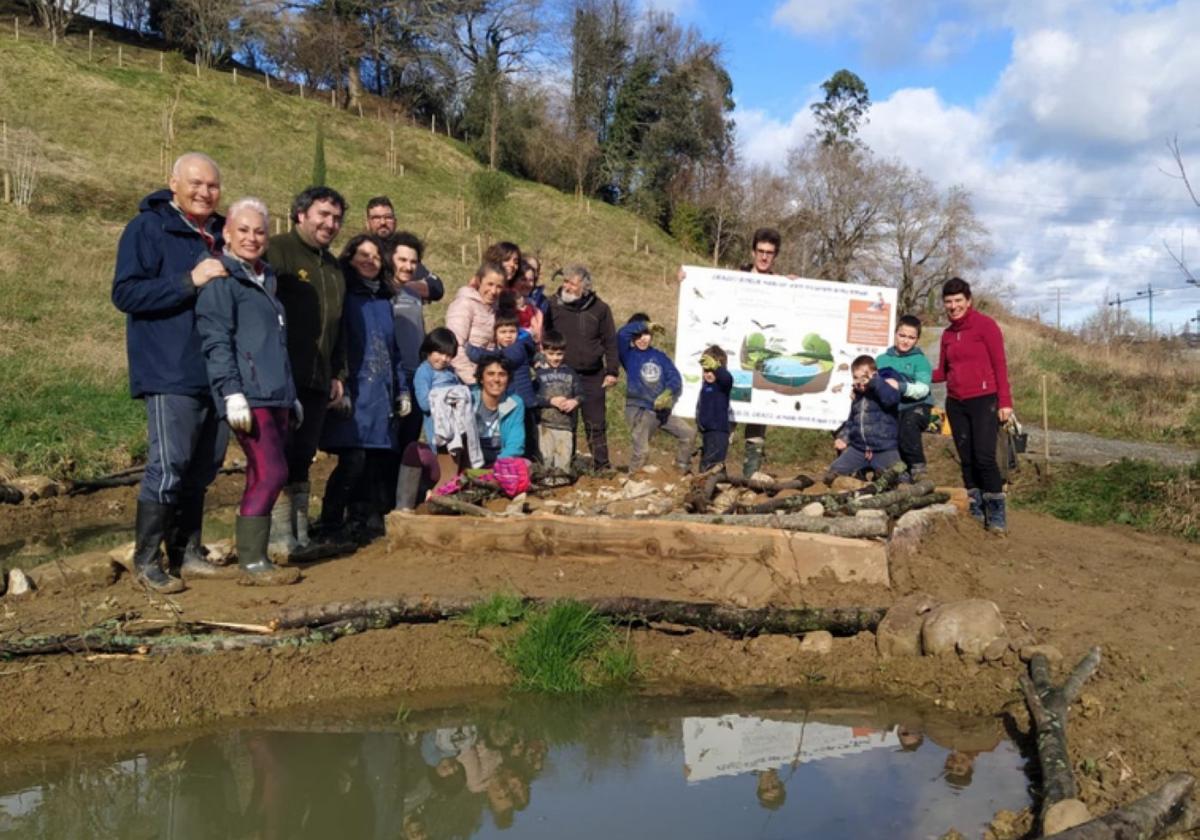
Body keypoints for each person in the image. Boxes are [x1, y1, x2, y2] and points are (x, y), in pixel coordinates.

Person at [111, 151, 233, 593]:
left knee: (204, 466)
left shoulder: (222, 233)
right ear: (173, 184)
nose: (205, 192)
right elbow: (125, 293)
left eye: (213, 186)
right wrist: (189, 281)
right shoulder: (146, 228)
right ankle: (147, 561)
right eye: (196, 184)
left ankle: (187, 552)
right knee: (169, 465)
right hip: (169, 368)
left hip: (218, 371)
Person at [195, 198, 301, 585]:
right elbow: (217, 341)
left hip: (276, 393)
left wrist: (292, 394)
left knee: (265, 472)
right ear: (227, 233)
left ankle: (253, 558)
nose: (252, 238)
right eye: (243, 230)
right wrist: (230, 393)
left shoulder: (265, 278)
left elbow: (276, 342)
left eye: (259, 231)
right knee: (271, 471)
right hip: (248, 396)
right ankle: (253, 562)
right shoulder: (221, 280)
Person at [265, 185, 348, 557]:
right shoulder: (277, 251)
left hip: (318, 377)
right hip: (280, 375)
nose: (330, 224)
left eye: (336, 218)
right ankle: (277, 538)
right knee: (277, 455)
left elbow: (339, 325)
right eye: (323, 215)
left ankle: (299, 536)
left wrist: (338, 373)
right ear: (301, 214)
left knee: (303, 456)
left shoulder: (332, 267)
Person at [317, 234, 411, 540]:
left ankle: (359, 519)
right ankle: (330, 519)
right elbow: (335, 342)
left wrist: (403, 389)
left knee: (373, 460)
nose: (370, 261)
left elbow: (393, 348)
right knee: (353, 458)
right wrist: (337, 379)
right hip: (353, 389)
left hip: (380, 392)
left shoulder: (383, 300)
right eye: (363, 254)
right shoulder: (343, 295)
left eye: (375, 256)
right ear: (350, 257)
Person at [932, 277, 1013, 534]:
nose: (953, 306)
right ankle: (976, 506)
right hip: (956, 403)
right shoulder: (946, 335)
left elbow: (1000, 364)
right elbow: (943, 372)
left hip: (984, 400)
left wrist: (1005, 402)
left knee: (984, 457)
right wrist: (912, 373)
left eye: (958, 301)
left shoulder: (985, 326)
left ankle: (996, 511)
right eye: (948, 302)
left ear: (969, 301)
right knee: (966, 459)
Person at [384, 231, 445, 505]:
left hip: (415, 374)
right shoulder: (382, 291)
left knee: (409, 442)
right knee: (387, 442)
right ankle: (376, 504)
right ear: (389, 259)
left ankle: (401, 503)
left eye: (413, 261)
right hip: (390, 377)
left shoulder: (412, 291)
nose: (408, 266)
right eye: (402, 260)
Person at [543, 265, 619, 471]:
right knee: (565, 421)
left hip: (593, 375)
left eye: (572, 283)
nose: (566, 286)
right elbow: (542, 334)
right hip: (563, 374)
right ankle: (566, 464)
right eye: (565, 281)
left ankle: (601, 466)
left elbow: (610, 341)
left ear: (584, 287)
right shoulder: (551, 305)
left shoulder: (600, 309)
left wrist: (612, 370)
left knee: (596, 422)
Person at [618, 314, 694, 473]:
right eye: (638, 335)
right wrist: (644, 325)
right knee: (643, 451)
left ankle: (680, 471)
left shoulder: (660, 356)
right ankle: (632, 480)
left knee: (689, 434)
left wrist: (667, 392)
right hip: (639, 409)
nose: (642, 339)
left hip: (660, 411)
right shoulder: (628, 354)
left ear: (652, 335)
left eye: (646, 334)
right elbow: (621, 334)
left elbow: (675, 377)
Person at [397, 328, 462, 510]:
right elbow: (425, 403)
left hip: (455, 434)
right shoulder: (424, 372)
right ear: (428, 350)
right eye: (439, 353)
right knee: (441, 472)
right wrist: (448, 398)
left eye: (449, 355)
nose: (443, 359)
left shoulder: (452, 373)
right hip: (437, 435)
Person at [737, 227, 782, 477]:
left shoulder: (780, 284)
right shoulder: (736, 279)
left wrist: (797, 287)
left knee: (757, 419)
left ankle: (750, 476)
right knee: (727, 419)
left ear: (775, 256)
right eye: (761, 251)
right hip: (736, 362)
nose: (765, 257)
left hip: (764, 365)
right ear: (753, 252)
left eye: (770, 253)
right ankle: (712, 471)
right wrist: (687, 278)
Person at [467, 314, 538, 459]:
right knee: (502, 427)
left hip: (522, 400)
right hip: (506, 398)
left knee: (524, 436)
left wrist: (470, 350)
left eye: (512, 332)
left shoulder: (519, 347)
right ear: (495, 335)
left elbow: (496, 357)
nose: (508, 336)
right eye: (503, 332)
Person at [826, 355, 903, 481]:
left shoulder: (884, 389)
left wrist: (874, 382)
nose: (860, 381)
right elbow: (852, 421)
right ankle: (862, 474)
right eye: (856, 378)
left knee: (900, 477)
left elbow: (891, 399)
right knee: (833, 472)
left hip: (884, 448)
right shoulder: (858, 397)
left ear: (875, 375)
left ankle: (881, 475)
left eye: (864, 377)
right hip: (859, 449)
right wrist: (844, 438)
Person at [876, 315, 934, 481]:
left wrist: (900, 386)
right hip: (893, 407)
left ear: (917, 339)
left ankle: (918, 467)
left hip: (917, 405)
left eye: (911, 337)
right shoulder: (881, 360)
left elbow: (923, 389)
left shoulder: (920, 361)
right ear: (895, 334)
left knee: (908, 425)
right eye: (902, 335)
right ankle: (891, 471)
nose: (906, 341)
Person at [446, 261, 505, 383]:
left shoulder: (495, 309)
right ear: (479, 281)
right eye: (490, 284)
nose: (493, 291)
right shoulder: (464, 304)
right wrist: (473, 380)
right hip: (463, 378)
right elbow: (454, 346)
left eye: (499, 287)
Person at [533, 329, 583, 472]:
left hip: (566, 426)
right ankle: (546, 486)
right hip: (545, 426)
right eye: (551, 354)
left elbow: (581, 393)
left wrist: (575, 401)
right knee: (546, 460)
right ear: (543, 351)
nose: (555, 358)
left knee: (563, 464)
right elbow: (533, 398)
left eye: (559, 354)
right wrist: (550, 401)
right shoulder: (538, 374)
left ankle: (563, 486)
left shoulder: (570, 372)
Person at [470, 355, 526, 466]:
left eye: (502, 374)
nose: (496, 379)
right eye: (490, 374)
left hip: (501, 460)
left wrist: (498, 466)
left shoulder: (514, 403)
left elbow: (515, 443)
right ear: (481, 378)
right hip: (471, 460)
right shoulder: (469, 400)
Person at [696, 345, 734, 472]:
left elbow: (727, 378)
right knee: (709, 463)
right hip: (707, 432)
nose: (709, 374)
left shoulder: (722, 385)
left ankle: (705, 489)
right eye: (706, 371)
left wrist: (716, 367)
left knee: (711, 466)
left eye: (712, 371)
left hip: (718, 432)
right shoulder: (705, 386)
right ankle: (716, 486)